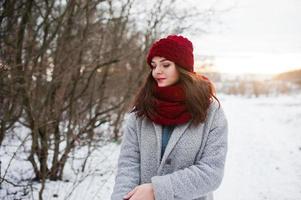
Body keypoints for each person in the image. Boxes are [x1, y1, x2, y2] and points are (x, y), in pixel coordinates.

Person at [111, 35, 228, 200]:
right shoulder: (141, 111)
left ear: (182, 67)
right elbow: (128, 166)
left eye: (165, 64)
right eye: (154, 65)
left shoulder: (210, 112)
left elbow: (211, 172)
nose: (157, 71)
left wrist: (156, 190)